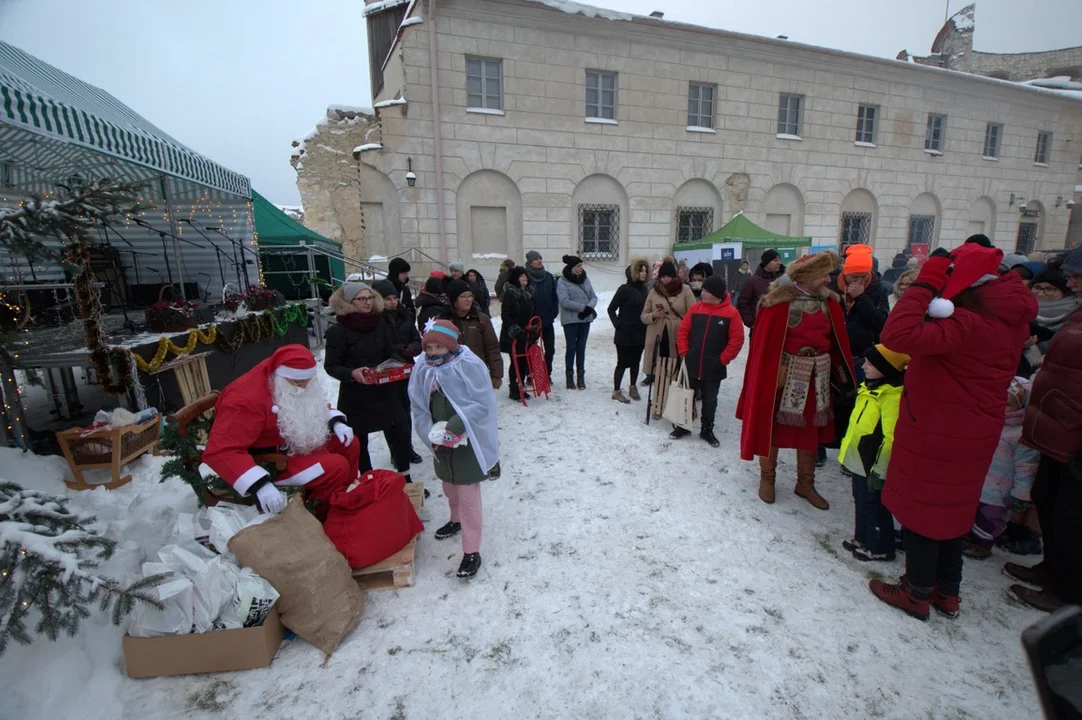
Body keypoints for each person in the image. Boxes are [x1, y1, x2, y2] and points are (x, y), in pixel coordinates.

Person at [869, 243, 1038, 621]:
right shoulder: (1007, 321)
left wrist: (927, 280)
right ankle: (947, 593)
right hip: (973, 431)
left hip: (939, 430)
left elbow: (896, 334)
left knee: (923, 513)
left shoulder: (966, 323)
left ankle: (916, 593)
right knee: (951, 511)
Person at [736, 250, 856, 510]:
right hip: (781, 378)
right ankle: (767, 478)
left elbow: (837, 345)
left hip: (817, 379)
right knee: (772, 428)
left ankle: (805, 483)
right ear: (807, 276)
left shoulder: (830, 304)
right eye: (822, 274)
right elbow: (762, 349)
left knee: (811, 431)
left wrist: (841, 375)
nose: (827, 279)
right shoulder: (776, 304)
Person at [1007, 247, 1082, 612]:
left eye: (1076, 275)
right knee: (1048, 499)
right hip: (1055, 426)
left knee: (1071, 516)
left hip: (1074, 431)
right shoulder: (1077, 314)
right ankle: (1052, 570)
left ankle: (1067, 591)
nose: (1070, 281)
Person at [202, 345, 361, 516]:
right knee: (335, 467)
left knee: (350, 444)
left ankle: (346, 502)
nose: (305, 386)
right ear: (280, 376)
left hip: (291, 439)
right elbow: (220, 451)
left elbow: (310, 403)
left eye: (308, 380)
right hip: (270, 460)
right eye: (298, 382)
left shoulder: (287, 378)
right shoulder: (245, 400)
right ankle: (322, 516)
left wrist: (335, 422)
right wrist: (260, 485)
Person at [408, 320, 499, 579]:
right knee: (449, 487)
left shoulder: (467, 366)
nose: (433, 352)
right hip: (442, 445)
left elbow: (481, 403)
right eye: (430, 346)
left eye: (439, 346)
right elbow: (418, 404)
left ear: (451, 346)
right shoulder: (424, 369)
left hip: (466, 445)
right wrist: (430, 434)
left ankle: (471, 550)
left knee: (468, 497)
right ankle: (455, 519)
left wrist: (456, 426)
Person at [324, 279, 415, 480]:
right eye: (361, 299)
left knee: (400, 428)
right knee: (360, 441)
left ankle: (405, 478)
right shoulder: (338, 331)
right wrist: (352, 373)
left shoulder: (379, 323)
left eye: (369, 298)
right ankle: (368, 480)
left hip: (384, 389)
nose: (367, 302)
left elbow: (389, 350)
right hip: (356, 395)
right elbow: (331, 366)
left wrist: (402, 363)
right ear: (348, 302)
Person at [839, 344, 908, 561]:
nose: (864, 366)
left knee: (874, 504)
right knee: (860, 498)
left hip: (873, 463)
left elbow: (891, 438)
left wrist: (880, 470)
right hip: (859, 458)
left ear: (885, 369)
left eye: (870, 364)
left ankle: (880, 546)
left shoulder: (891, 397)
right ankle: (862, 537)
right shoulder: (870, 387)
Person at [962, 377, 1039, 559]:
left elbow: (1026, 468)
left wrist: (1021, 494)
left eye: (1008, 404)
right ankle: (968, 537)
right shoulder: (989, 422)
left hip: (999, 489)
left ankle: (984, 544)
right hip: (978, 481)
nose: (1001, 407)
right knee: (971, 512)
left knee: (990, 519)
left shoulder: (1021, 436)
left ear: (1022, 406)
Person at [675, 275, 744, 446]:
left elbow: (736, 340)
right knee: (685, 396)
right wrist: (684, 352)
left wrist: (722, 359)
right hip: (692, 363)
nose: (702, 293)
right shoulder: (695, 309)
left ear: (716, 293)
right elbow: (683, 331)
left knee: (710, 400)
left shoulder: (731, 313)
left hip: (714, 367)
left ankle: (707, 429)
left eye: (706, 290)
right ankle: (683, 426)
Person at [374, 279, 424, 464]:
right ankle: (396, 451)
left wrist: (412, 349)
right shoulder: (375, 320)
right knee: (391, 415)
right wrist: (398, 350)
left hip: (406, 371)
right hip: (386, 372)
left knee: (405, 411)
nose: (392, 302)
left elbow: (416, 338)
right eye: (387, 299)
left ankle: (407, 447)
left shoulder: (404, 315)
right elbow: (380, 345)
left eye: (394, 298)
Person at [641, 261, 697, 386]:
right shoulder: (653, 291)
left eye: (668, 276)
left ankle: (675, 396)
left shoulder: (685, 290)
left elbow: (693, 314)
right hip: (657, 335)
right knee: (659, 366)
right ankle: (659, 397)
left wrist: (682, 325)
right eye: (662, 277)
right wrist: (654, 315)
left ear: (674, 276)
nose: (665, 279)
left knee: (675, 367)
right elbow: (644, 316)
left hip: (677, 334)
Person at [837, 244, 890, 361]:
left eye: (864, 276)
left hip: (863, 353)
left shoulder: (879, 289)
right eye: (854, 277)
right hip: (837, 351)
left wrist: (861, 298)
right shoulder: (832, 286)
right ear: (845, 273)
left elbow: (882, 324)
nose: (859, 281)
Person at [607, 258, 650, 403]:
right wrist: (618, 325)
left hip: (640, 332)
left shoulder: (645, 289)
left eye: (645, 271)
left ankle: (632, 386)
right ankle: (617, 390)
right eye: (641, 271)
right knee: (622, 362)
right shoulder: (624, 289)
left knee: (635, 362)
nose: (644, 273)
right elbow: (611, 309)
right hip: (624, 333)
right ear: (634, 272)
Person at [556, 254, 599, 390]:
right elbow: (563, 300)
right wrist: (583, 308)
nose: (581, 268)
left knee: (581, 347)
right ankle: (569, 376)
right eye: (578, 266)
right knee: (571, 347)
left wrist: (589, 308)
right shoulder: (563, 281)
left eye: (581, 266)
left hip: (585, 319)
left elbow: (593, 296)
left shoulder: (585, 280)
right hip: (570, 320)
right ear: (572, 267)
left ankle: (581, 376)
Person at [499, 266, 536, 401]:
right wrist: (516, 331)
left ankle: (521, 387)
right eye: (521, 276)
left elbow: (532, 312)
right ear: (516, 279)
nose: (525, 278)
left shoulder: (528, 293)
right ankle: (514, 389)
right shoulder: (510, 294)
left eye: (525, 275)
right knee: (516, 362)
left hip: (526, 334)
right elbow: (506, 315)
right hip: (513, 335)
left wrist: (533, 328)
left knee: (524, 361)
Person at [525, 251, 558, 377]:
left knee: (550, 349)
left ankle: (546, 373)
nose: (539, 261)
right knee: (530, 348)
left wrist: (554, 311)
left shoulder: (548, 277)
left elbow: (554, 296)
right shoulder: (525, 277)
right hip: (531, 321)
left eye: (540, 258)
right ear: (530, 262)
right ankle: (529, 373)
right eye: (536, 259)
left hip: (547, 319)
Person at [736, 249, 785, 329]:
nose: (779, 262)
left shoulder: (784, 279)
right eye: (775, 260)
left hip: (781, 328)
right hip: (760, 328)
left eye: (779, 260)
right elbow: (742, 303)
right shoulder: (753, 281)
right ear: (766, 262)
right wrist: (752, 323)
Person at [388, 257, 415, 324]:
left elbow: (411, 308)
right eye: (404, 273)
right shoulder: (385, 288)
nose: (406, 276)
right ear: (396, 273)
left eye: (407, 273)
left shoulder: (405, 289)